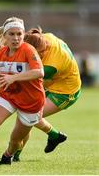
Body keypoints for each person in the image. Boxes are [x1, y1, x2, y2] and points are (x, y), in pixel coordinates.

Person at [0, 17, 46, 165]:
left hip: (31, 102)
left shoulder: (28, 50)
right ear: (4, 36)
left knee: (15, 141)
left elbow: (39, 72)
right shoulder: (1, 53)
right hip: (9, 96)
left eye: (19, 34)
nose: (16, 38)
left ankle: (7, 155)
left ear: (23, 35)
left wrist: (14, 78)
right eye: (11, 34)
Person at [12, 27, 82, 161]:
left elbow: (29, 77)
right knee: (25, 118)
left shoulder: (52, 65)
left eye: (41, 54)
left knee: (28, 115)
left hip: (66, 92)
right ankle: (17, 154)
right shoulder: (43, 37)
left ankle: (54, 135)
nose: (39, 56)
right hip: (51, 84)